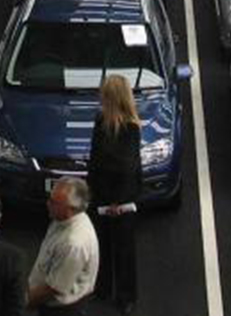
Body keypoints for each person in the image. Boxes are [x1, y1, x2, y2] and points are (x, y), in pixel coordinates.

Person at [87, 75, 142, 316]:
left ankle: (122, 293)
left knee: (119, 247)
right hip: (114, 196)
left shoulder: (129, 127)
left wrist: (113, 200)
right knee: (112, 245)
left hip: (115, 197)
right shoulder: (106, 122)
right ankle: (111, 290)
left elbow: (124, 166)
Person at [28, 177, 99, 316]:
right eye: (49, 199)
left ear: (71, 208)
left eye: (54, 202)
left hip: (60, 310)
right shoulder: (62, 219)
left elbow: (53, 289)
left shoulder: (73, 243)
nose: (47, 204)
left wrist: (24, 302)